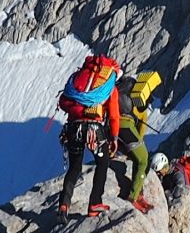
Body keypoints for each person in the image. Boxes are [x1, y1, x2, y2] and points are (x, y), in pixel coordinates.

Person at [56, 52, 124, 215]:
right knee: (103, 162)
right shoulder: (108, 85)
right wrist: (114, 137)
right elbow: (114, 116)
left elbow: (64, 102)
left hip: (73, 128)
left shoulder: (79, 78)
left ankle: (64, 205)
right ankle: (95, 203)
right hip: (94, 130)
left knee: (74, 167)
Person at [118, 69, 164, 210]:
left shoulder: (124, 95)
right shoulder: (141, 110)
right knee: (143, 159)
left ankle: (139, 193)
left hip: (112, 126)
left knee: (136, 158)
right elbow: (140, 134)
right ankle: (134, 196)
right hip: (125, 127)